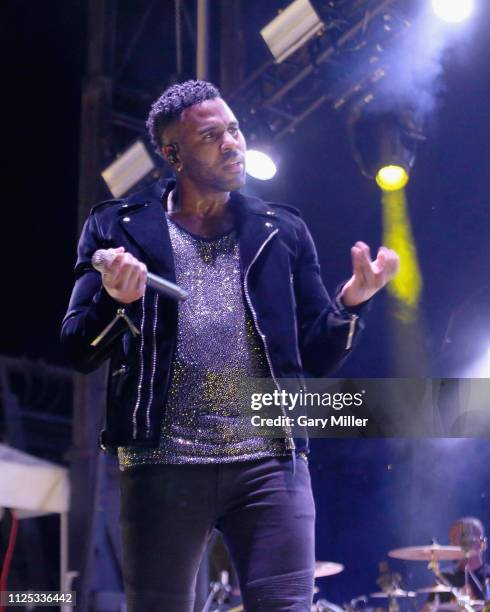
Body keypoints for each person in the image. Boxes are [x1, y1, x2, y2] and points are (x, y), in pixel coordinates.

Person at [61, 80, 399, 611]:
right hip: (161, 463)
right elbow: (78, 348)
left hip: (270, 464)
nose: (232, 143)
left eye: (235, 129)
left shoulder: (281, 229)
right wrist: (116, 301)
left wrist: (354, 301)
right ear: (173, 154)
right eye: (211, 135)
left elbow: (316, 354)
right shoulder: (116, 227)